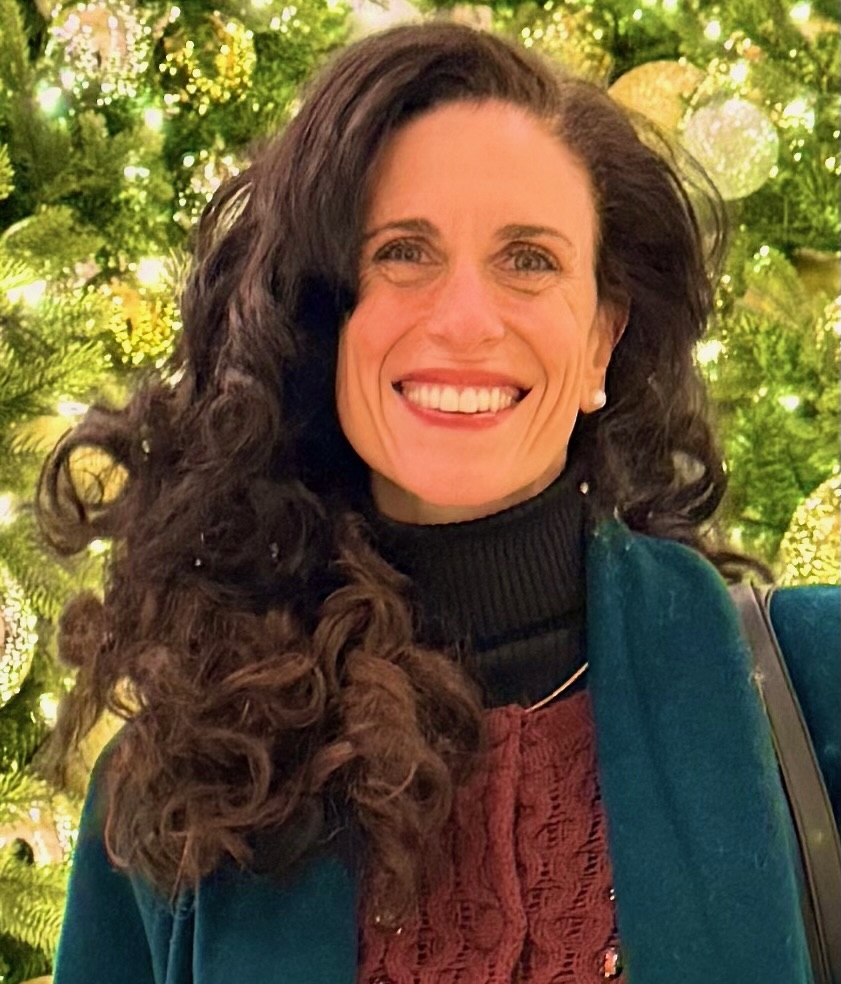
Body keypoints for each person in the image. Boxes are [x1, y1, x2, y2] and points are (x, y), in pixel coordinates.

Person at [38, 21, 838, 984]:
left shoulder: (817, 689)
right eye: (403, 251)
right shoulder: (175, 785)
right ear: (324, 318)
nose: (463, 319)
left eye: (529, 259)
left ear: (599, 340)